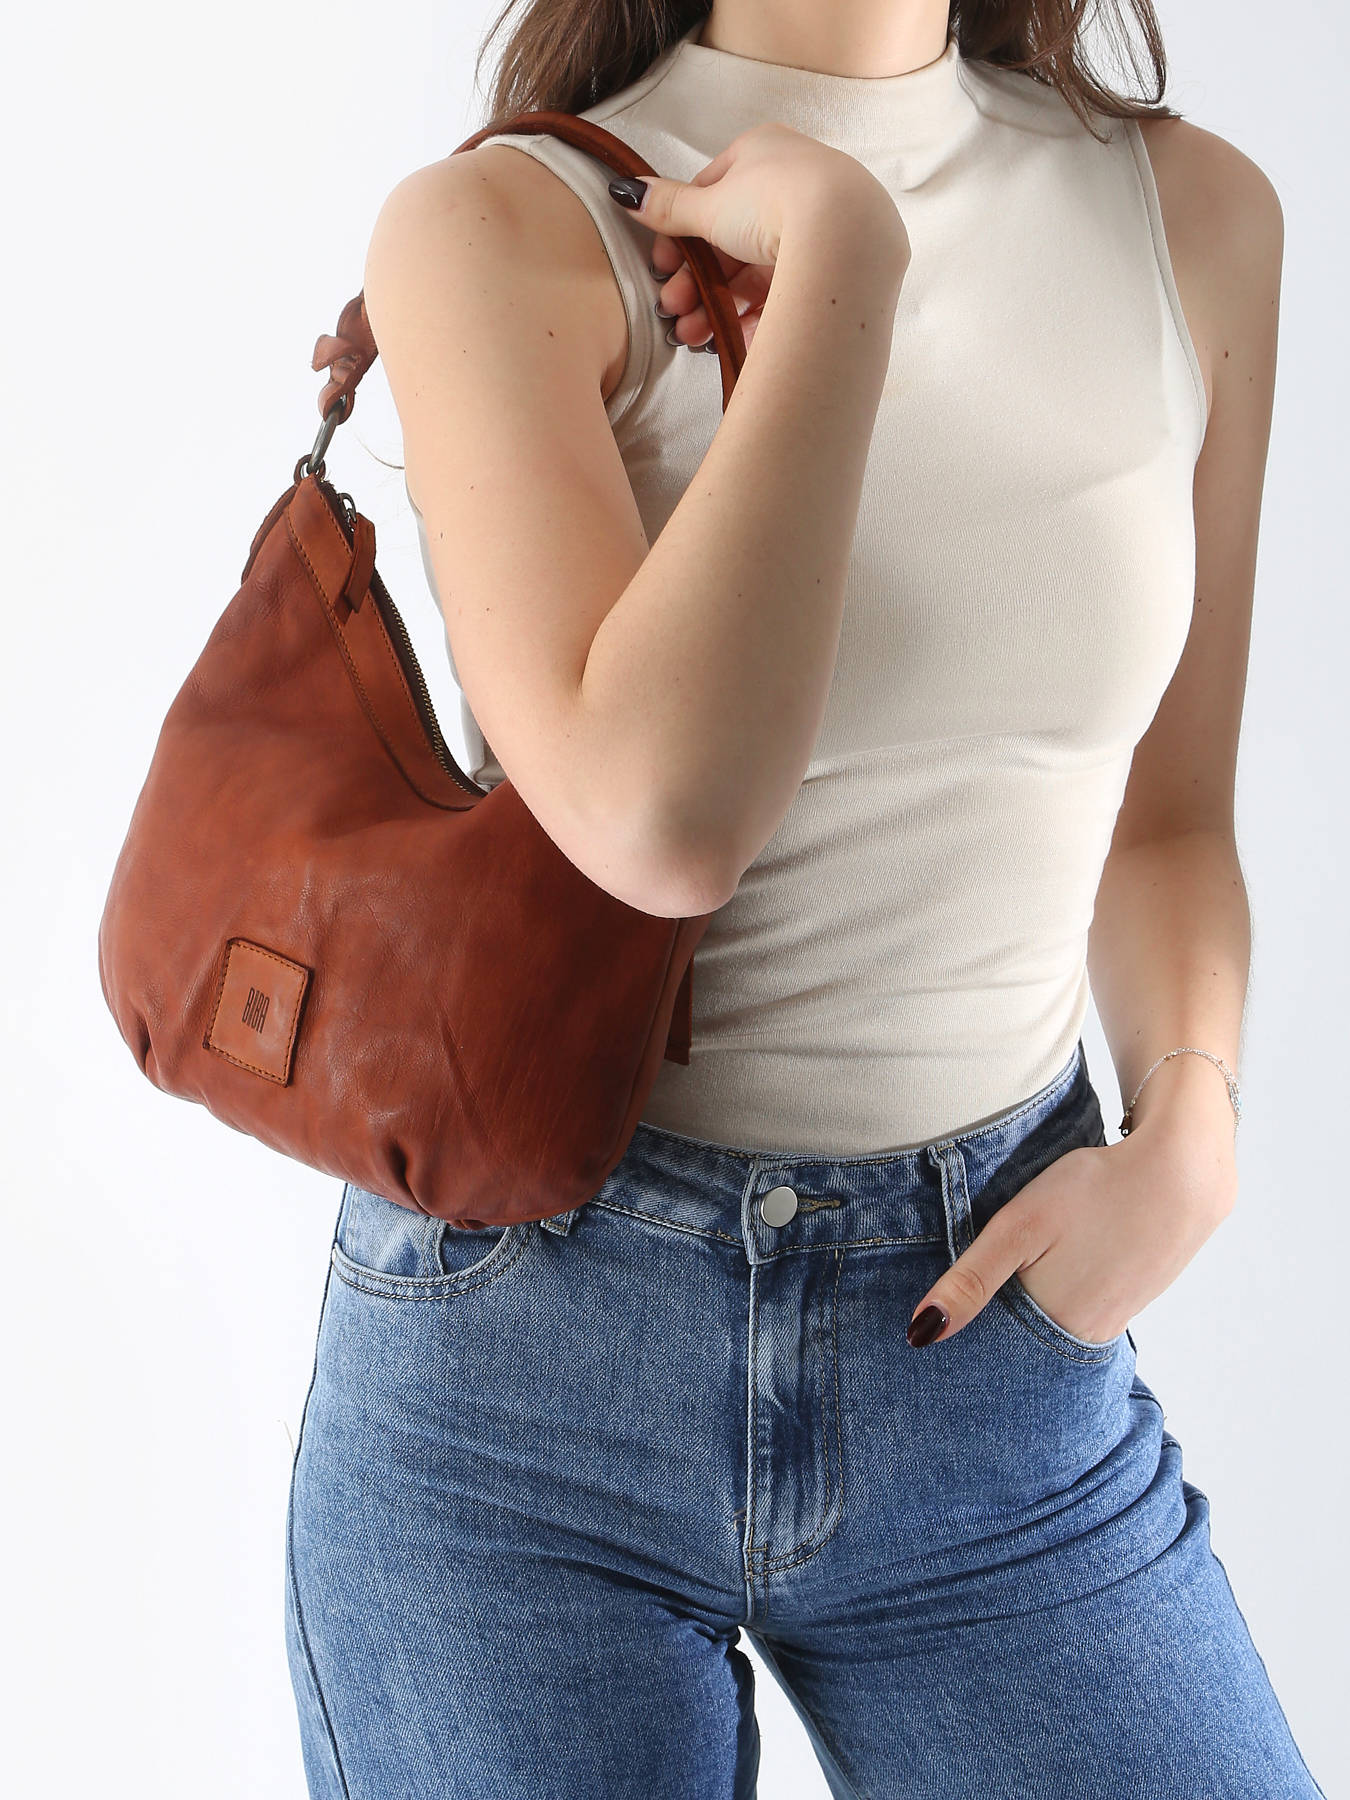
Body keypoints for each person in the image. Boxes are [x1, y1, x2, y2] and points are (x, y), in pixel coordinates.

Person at [283, 2, 1327, 1795]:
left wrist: (1193, 1130)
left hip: (988, 1346)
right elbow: (660, 820)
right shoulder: (505, 226)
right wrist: (844, 265)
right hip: (523, 1375)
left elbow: (1165, 818)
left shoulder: (1194, 221)